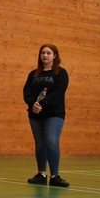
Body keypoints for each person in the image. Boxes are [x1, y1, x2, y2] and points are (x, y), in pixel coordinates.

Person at [22, 43, 70, 187]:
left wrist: (42, 104)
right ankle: (41, 174)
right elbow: (27, 91)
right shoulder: (33, 74)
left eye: (49, 53)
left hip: (54, 113)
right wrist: (33, 105)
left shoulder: (61, 73)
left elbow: (58, 93)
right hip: (35, 113)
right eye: (43, 53)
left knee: (51, 140)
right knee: (40, 143)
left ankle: (55, 176)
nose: (45, 55)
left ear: (54, 56)